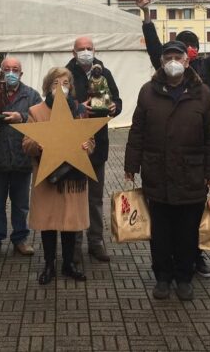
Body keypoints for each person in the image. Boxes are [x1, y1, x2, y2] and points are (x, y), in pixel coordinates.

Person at [136, 0, 210, 278]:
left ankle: (196, 258)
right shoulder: (164, 68)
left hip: (196, 151)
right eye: (181, 47)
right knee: (166, 217)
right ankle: (169, 267)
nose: (184, 54)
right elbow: (154, 45)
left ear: (196, 51)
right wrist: (146, 14)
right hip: (167, 153)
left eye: (191, 47)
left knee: (195, 214)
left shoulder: (207, 67)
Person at [124, 41, 210, 300]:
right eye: (167, 57)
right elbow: (137, 131)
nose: (172, 61)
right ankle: (163, 278)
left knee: (188, 232)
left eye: (177, 56)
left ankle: (184, 278)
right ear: (161, 62)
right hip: (158, 173)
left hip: (192, 174)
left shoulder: (202, 93)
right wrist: (131, 165)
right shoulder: (148, 92)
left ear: (187, 60)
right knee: (161, 232)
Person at [23, 67, 93, 284]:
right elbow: (26, 145)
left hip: (73, 177)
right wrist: (39, 145)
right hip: (48, 177)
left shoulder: (80, 111)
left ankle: (69, 264)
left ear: (70, 87)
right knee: (49, 222)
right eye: (55, 83)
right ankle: (49, 264)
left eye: (64, 83)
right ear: (47, 87)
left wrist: (86, 146)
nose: (60, 87)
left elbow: (91, 143)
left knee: (69, 223)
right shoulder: (36, 111)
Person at [66, 37, 122, 263]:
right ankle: (75, 244)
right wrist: (79, 108)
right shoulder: (65, 75)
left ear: (95, 50)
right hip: (74, 145)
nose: (86, 52)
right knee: (76, 197)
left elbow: (117, 99)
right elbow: (57, 103)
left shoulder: (105, 73)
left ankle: (96, 242)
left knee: (96, 198)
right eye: (81, 49)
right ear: (73, 52)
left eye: (89, 48)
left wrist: (114, 107)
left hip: (98, 145)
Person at [0, 57, 42, 257]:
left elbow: (41, 120)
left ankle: (20, 238)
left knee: (21, 204)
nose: (10, 73)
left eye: (15, 69)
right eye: (7, 69)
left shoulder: (31, 95)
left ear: (21, 73)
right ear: (0, 72)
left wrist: (22, 117)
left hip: (22, 157)